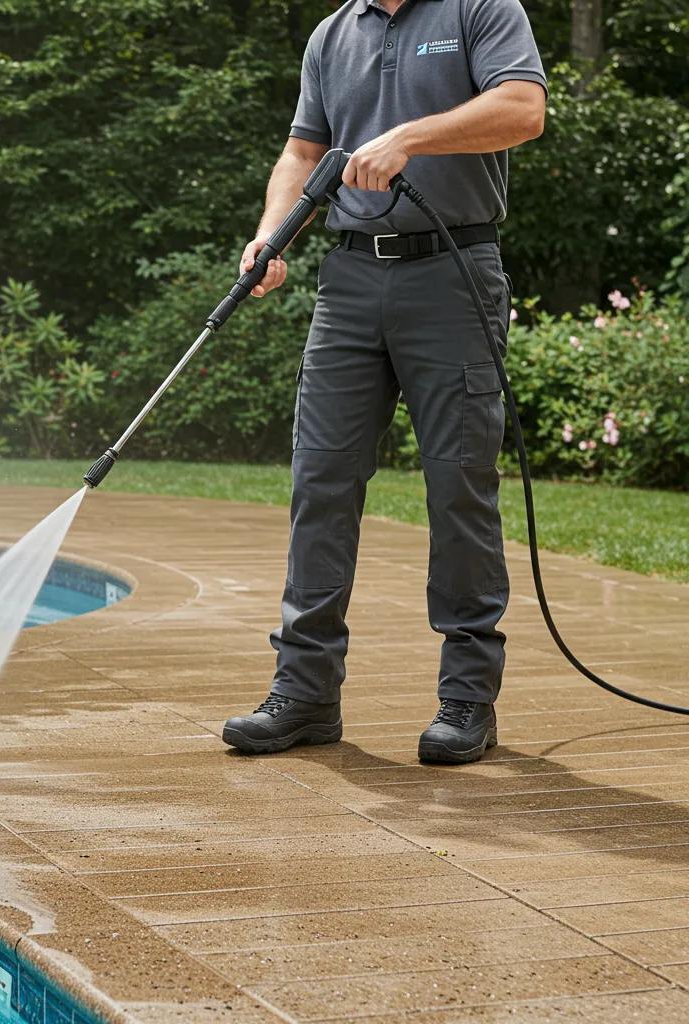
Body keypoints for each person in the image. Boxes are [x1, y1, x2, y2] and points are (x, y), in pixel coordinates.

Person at [222, 0, 547, 764]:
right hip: (348, 282)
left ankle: (467, 698)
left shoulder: (481, 8)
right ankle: (305, 694)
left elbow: (523, 108)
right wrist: (273, 234)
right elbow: (305, 153)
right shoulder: (333, 33)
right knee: (320, 480)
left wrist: (408, 137)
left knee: (458, 485)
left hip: (455, 273)